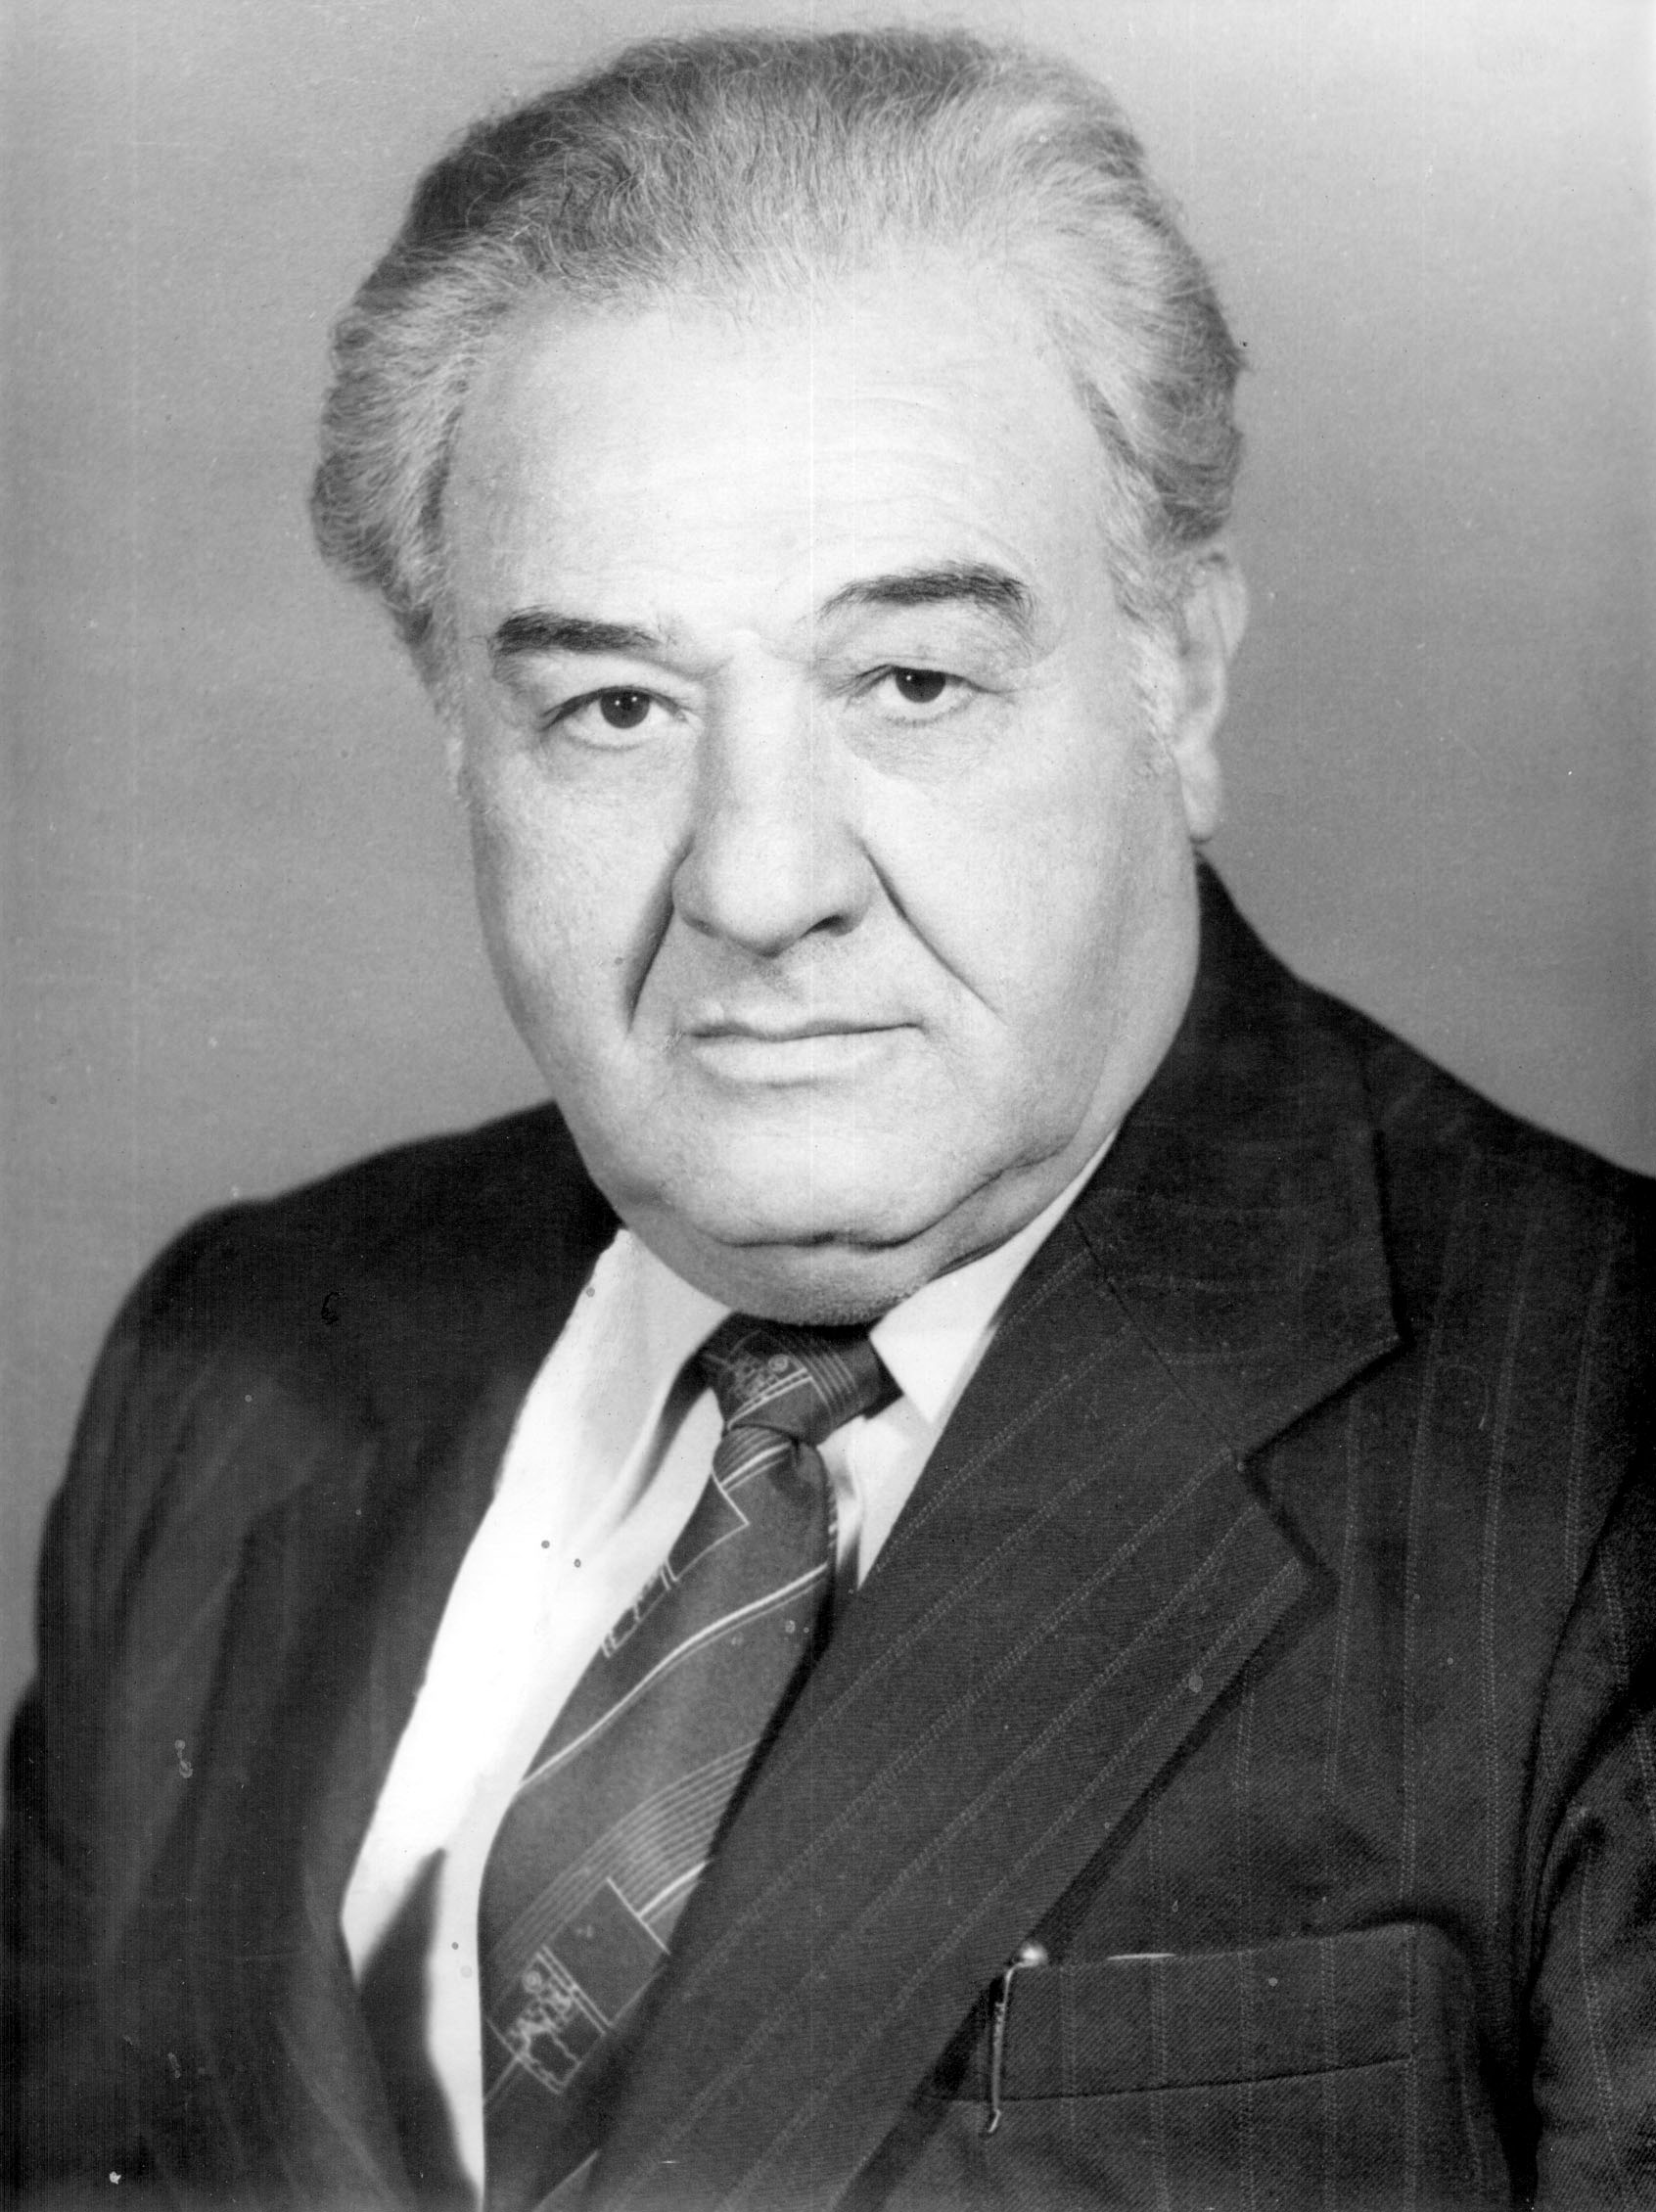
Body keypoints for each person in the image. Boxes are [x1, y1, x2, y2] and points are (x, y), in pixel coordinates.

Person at [4, 24, 1652, 2211]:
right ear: (455, 732)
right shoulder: (234, 1361)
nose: (758, 880)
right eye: (614, 705)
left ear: (1181, 676)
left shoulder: (1609, 1439)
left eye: (910, 681)